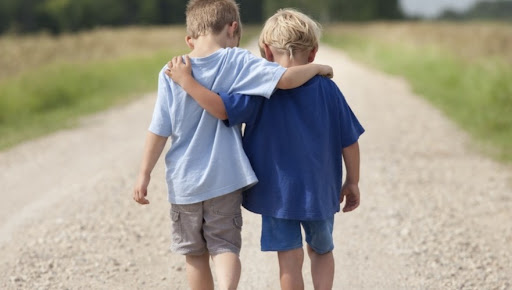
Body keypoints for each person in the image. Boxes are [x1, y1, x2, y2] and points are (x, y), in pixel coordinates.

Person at [132, 1, 333, 290]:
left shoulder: (171, 71)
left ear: (190, 39)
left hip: (184, 182)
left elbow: (159, 129)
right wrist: (318, 68)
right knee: (225, 247)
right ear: (233, 28)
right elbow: (286, 80)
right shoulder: (237, 60)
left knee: (194, 255)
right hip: (226, 179)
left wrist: (144, 173)